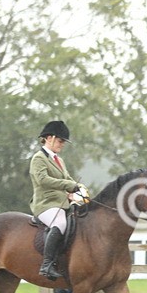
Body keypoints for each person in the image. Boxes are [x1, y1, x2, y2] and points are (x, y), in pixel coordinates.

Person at [29, 120, 88, 280]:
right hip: (46, 204)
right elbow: (43, 180)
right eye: (61, 141)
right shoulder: (38, 158)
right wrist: (69, 184)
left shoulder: (58, 160)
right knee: (60, 223)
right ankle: (47, 265)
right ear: (50, 138)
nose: (62, 145)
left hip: (62, 203)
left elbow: (68, 179)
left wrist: (80, 188)